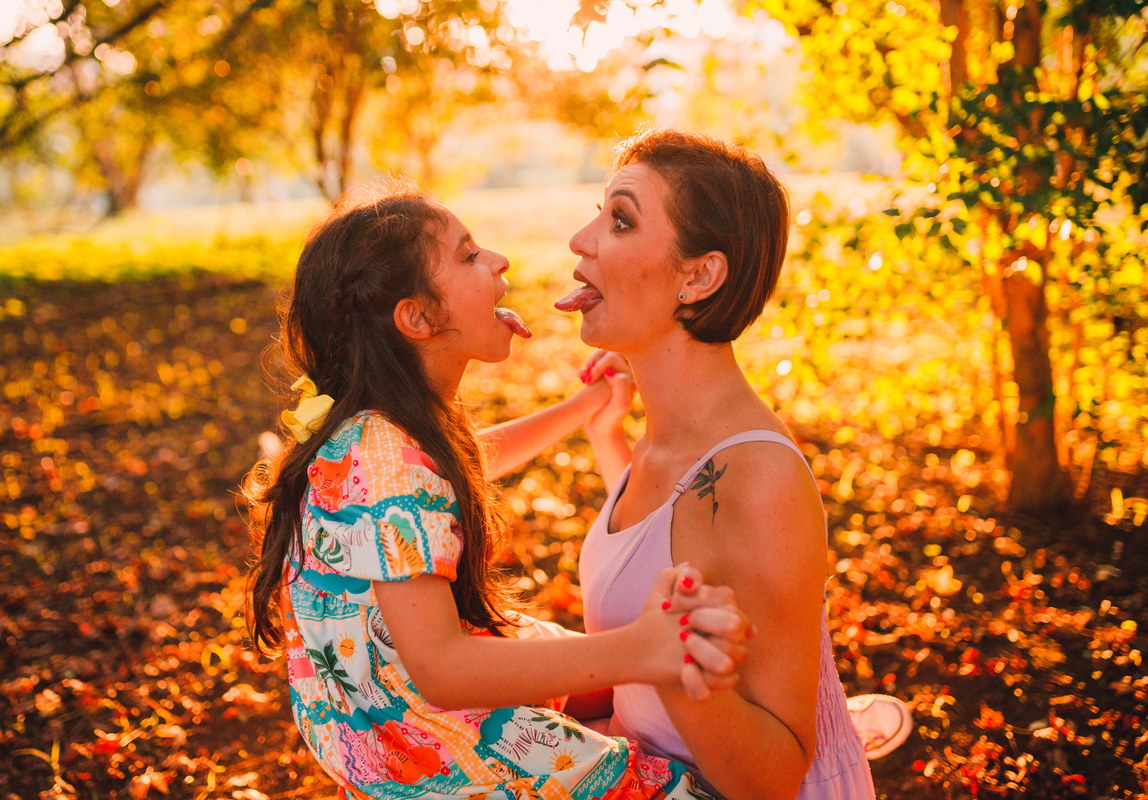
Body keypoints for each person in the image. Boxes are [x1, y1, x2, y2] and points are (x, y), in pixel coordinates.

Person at [243, 184, 756, 800]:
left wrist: (586, 407)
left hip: (367, 721)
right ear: (419, 318)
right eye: (469, 256)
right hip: (425, 747)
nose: (499, 260)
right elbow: (443, 670)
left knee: (612, 682)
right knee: (669, 768)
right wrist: (641, 650)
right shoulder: (386, 457)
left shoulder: (373, 432)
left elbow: (461, 464)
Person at [556, 128, 880, 800]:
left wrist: (674, 669)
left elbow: (774, 776)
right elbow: (661, 550)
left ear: (698, 276)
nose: (581, 241)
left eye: (620, 220)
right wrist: (606, 435)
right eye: (598, 214)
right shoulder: (664, 439)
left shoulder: (759, 480)